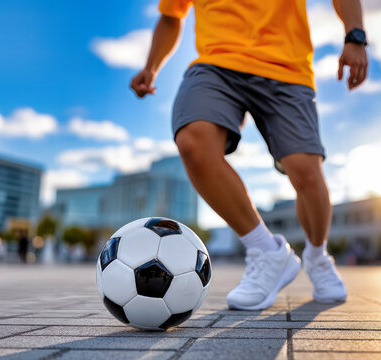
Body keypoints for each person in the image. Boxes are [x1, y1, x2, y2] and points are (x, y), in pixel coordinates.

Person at [131, 0, 368, 310]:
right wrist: (151, 66)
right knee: (193, 141)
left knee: (305, 171)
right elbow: (170, 16)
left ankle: (318, 256)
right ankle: (265, 250)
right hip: (217, 64)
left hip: (287, 68)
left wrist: (355, 36)